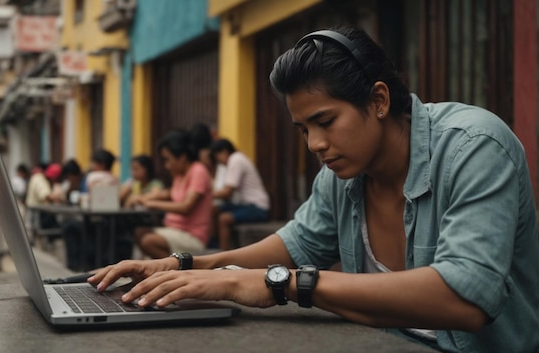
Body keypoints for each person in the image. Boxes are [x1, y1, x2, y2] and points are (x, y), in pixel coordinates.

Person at [88, 27, 539, 353]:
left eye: (325, 122)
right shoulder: (343, 176)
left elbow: (465, 298)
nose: (316, 144)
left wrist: (282, 285)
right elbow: (293, 246)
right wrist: (185, 266)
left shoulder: (474, 147)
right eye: (304, 129)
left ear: (379, 101)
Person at [132, 129, 213, 258]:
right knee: (139, 232)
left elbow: (186, 207)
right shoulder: (180, 175)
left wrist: (152, 203)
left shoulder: (198, 171)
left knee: (148, 241)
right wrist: (145, 197)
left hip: (191, 235)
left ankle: (176, 268)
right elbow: (171, 193)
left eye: (167, 160)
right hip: (174, 231)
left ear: (182, 157)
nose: (167, 165)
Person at [210, 138, 270, 250]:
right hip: (247, 205)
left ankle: (223, 253)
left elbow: (227, 192)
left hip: (258, 207)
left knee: (224, 219)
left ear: (224, 151)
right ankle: (213, 243)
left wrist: (206, 194)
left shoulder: (235, 160)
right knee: (215, 209)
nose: (219, 162)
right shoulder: (238, 158)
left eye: (217, 157)